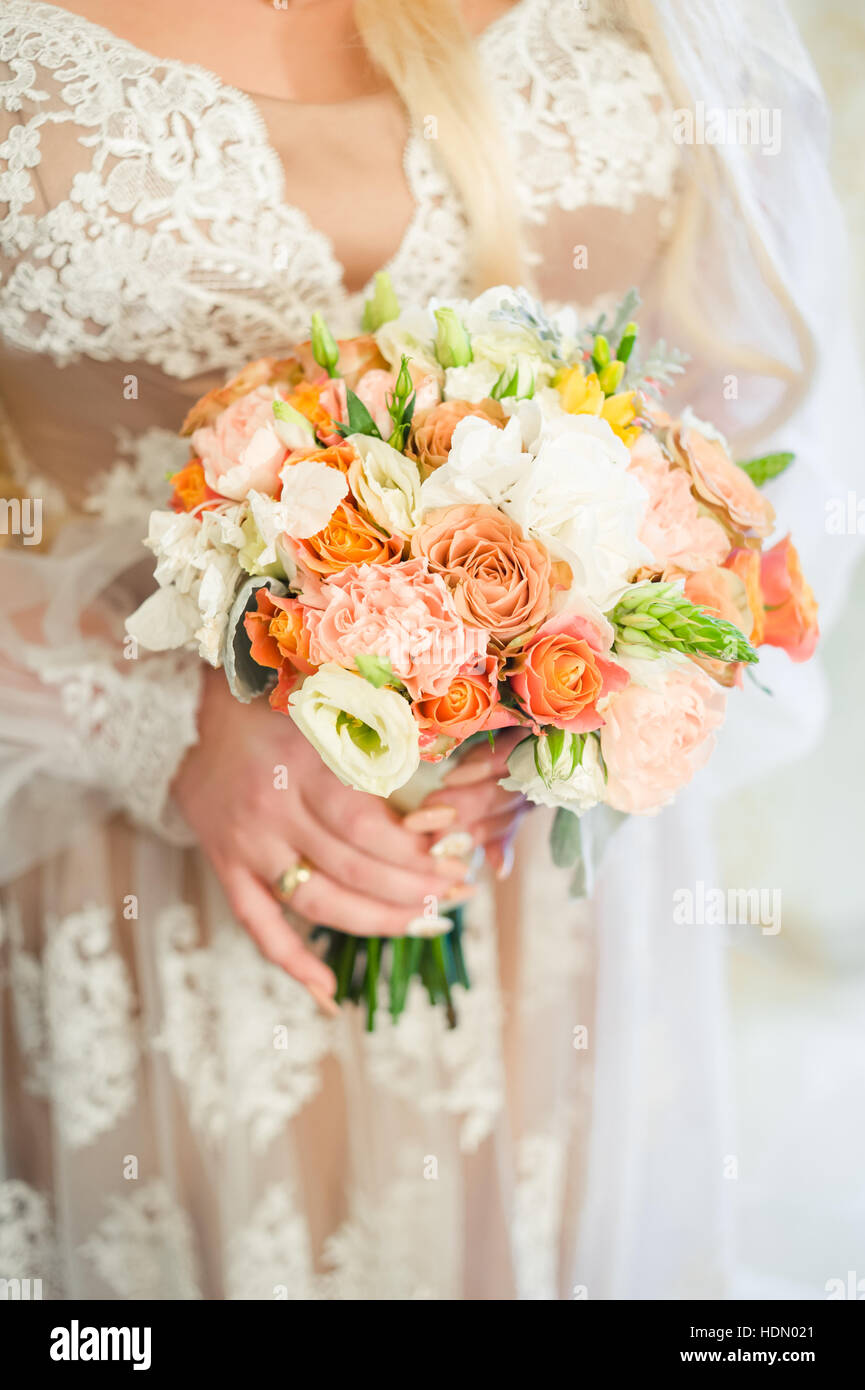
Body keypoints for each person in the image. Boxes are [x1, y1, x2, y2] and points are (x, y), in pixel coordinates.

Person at [0, 0, 859, 1299]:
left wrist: (603, 636)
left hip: (532, 884)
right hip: (131, 882)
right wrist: (159, 711)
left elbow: (737, 417)